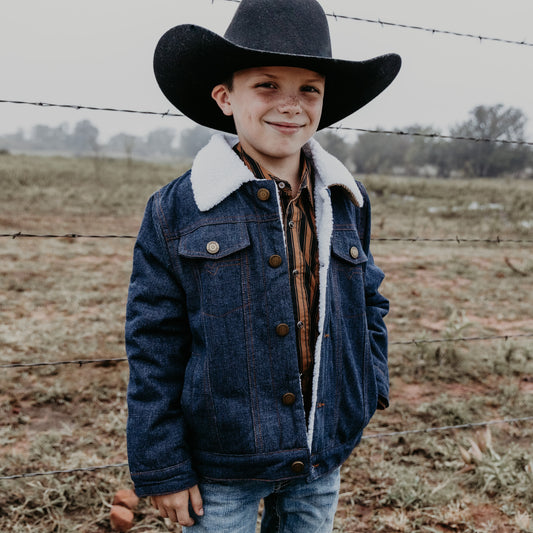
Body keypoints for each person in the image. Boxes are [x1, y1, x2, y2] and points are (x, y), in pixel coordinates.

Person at [126, 0, 401, 531]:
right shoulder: (177, 209)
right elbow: (154, 340)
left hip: (320, 452)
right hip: (220, 465)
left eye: (309, 89)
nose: (290, 105)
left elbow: (369, 299)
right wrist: (162, 465)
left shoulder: (346, 200)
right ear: (225, 97)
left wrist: (369, 387)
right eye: (267, 85)